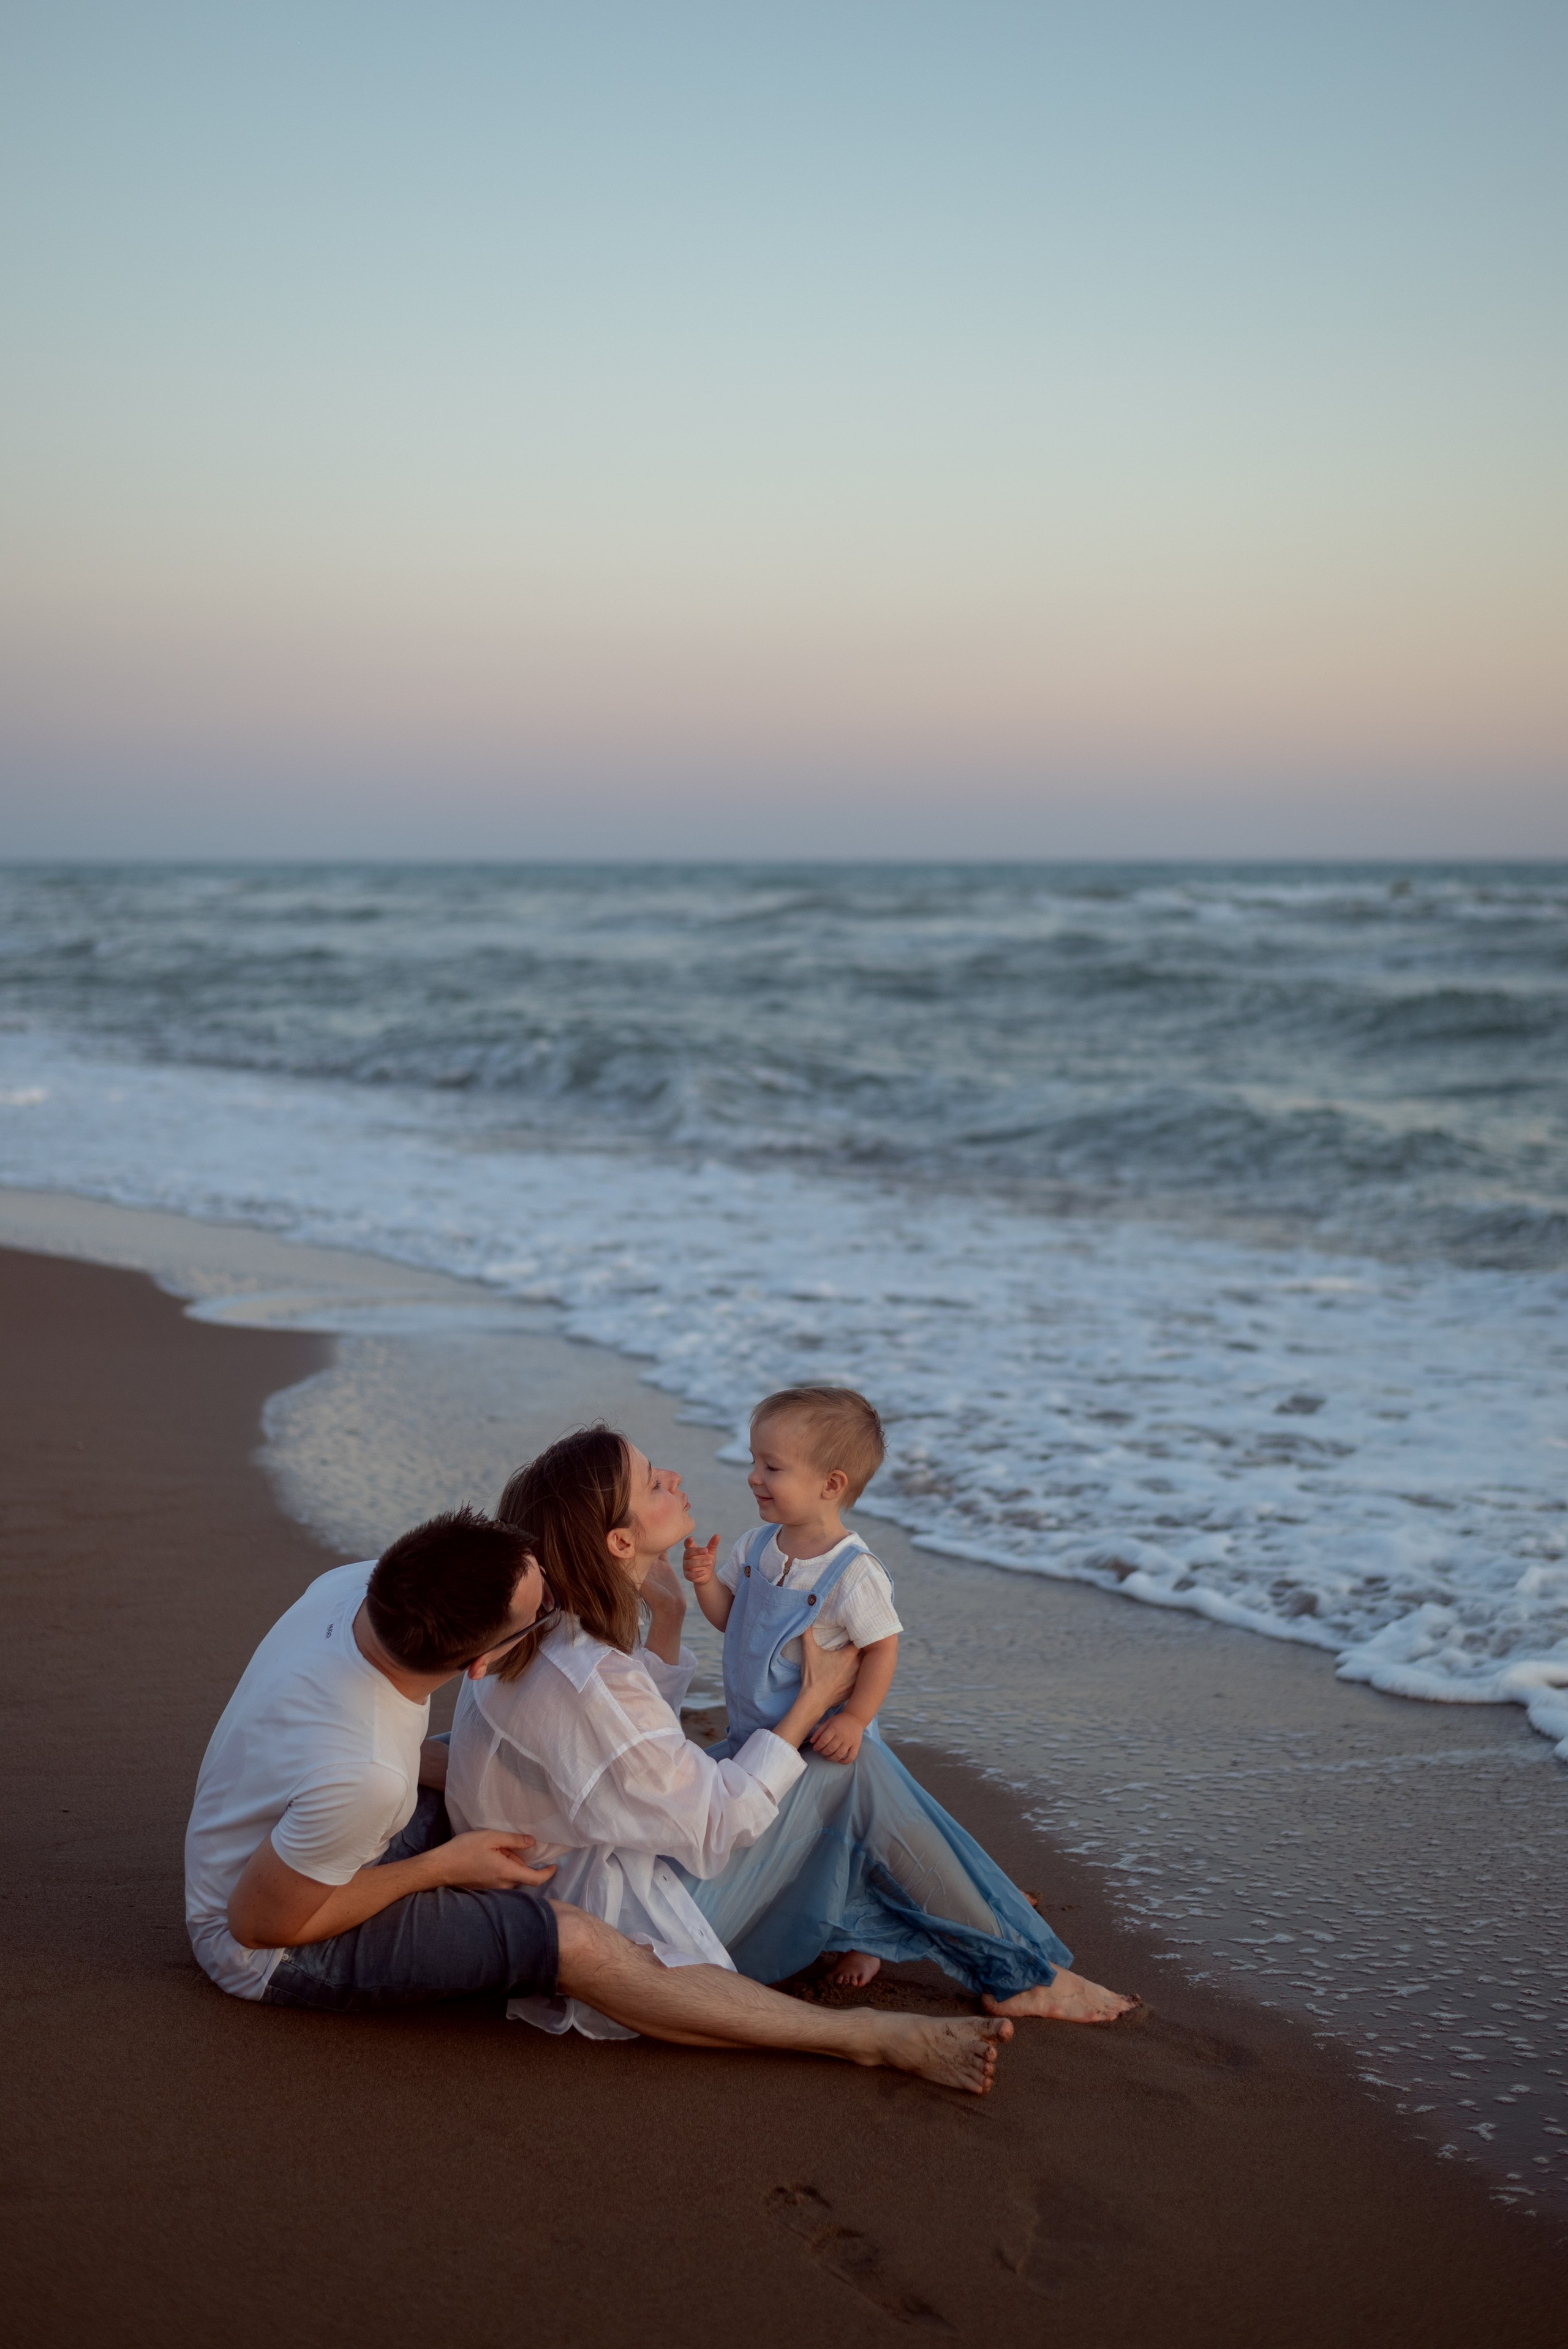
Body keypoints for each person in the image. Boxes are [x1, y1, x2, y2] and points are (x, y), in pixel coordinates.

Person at [183, 1506, 1011, 2095]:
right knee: (573, 1936)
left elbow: (389, 1768)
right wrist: (440, 1863)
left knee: (492, 1786)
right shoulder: (366, 1771)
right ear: (483, 1660)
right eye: (540, 1605)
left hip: (316, 1832)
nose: (554, 1593)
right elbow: (266, 1920)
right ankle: (867, 2038)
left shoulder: (351, 1590)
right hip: (270, 1942)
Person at [447, 1428, 1138, 2032]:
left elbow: (620, 1758)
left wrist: (669, 1619)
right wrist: (813, 1699)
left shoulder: (539, 1638)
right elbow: (715, 1824)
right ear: (622, 1540)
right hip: (636, 1943)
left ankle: (955, 1902)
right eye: (654, 1481)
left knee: (788, 1757)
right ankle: (1018, 1971)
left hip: (576, 1890)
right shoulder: (591, 1679)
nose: (674, 1478)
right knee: (844, 1761)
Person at [683, 1384, 903, 1988]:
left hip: (826, 1737)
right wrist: (705, 1582)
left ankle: (859, 1936)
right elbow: (732, 1618)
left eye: (772, 1466)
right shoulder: (757, 1546)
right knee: (780, 1842)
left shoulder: (852, 1571)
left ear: (830, 1485)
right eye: (754, 1460)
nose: (754, 1476)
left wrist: (855, 1718)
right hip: (761, 1731)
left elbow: (882, 1647)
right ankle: (782, 1914)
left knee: (839, 1846)